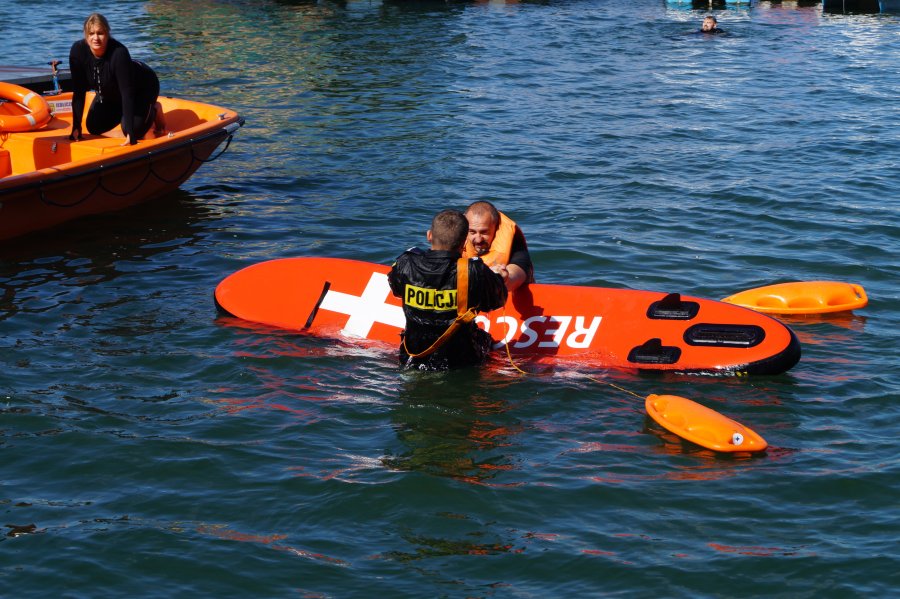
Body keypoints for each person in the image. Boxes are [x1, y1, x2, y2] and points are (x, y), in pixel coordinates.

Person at [388, 209, 508, 371]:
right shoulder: (473, 270)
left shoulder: (406, 262)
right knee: (485, 339)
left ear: (429, 235)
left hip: (411, 357)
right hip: (459, 363)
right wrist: (499, 278)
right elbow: (496, 301)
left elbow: (396, 290)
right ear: (465, 243)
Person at [68, 13, 165, 146]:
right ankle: (125, 116)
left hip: (141, 88)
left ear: (107, 34)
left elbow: (127, 94)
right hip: (111, 92)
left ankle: (154, 109)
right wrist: (76, 127)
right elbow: (79, 92)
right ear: (86, 35)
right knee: (93, 127)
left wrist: (130, 133)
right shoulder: (78, 52)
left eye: (100, 33)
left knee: (133, 131)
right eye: (91, 33)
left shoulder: (119, 53)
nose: (95, 38)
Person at [463, 201, 534, 292]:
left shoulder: (513, 241)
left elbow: (519, 271)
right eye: (472, 232)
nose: (478, 239)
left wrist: (503, 278)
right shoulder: (457, 237)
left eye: (484, 232)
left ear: (496, 228)